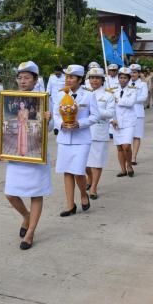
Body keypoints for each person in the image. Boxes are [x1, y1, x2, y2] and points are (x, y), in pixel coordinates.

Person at [3, 61, 52, 250]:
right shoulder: (9, 98)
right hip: (16, 152)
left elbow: (51, 126)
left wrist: (49, 119)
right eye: (20, 77)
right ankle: (26, 216)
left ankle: (30, 233)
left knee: (36, 193)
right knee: (10, 193)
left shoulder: (44, 98)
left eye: (27, 77)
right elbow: (7, 121)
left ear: (35, 79)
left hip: (36, 151)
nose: (23, 81)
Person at [54, 64, 99, 216]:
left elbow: (95, 116)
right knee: (67, 171)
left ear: (80, 79)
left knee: (78, 171)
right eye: (67, 76)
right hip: (65, 137)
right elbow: (55, 114)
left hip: (81, 138)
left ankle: (83, 194)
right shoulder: (60, 94)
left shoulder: (89, 94)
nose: (68, 80)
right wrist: (61, 124)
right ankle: (70, 205)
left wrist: (80, 123)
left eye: (72, 77)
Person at [85, 67, 115, 199]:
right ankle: (89, 178)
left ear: (102, 80)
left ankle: (94, 187)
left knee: (97, 162)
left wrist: (96, 110)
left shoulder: (108, 95)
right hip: (84, 132)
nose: (94, 80)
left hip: (99, 132)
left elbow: (110, 113)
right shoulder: (84, 93)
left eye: (97, 78)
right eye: (92, 78)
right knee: (84, 162)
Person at [111, 67, 137, 177]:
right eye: (120, 77)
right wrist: (112, 119)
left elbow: (130, 103)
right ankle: (123, 169)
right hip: (116, 121)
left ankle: (129, 165)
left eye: (125, 78)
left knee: (126, 146)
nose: (122, 80)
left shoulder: (133, 89)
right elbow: (110, 107)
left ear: (129, 79)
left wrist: (118, 100)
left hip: (128, 122)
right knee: (119, 147)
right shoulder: (112, 90)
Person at [128, 64, 148, 165]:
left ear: (139, 73)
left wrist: (131, 100)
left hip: (138, 112)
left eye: (135, 72)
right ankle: (127, 156)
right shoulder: (125, 83)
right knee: (127, 136)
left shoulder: (143, 84)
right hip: (126, 112)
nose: (132, 74)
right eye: (131, 72)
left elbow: (144, 97)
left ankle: (133, 157)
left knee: (136, 136)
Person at [46, 65, 66, 135]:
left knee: (61, 113)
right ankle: (56, 128)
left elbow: (67, 88)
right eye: (56, 73)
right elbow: (49, 87)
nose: (57, 75)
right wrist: (47, 95)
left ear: (61, 72)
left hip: (63, 98)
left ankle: (61, 125)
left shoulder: (65, 77)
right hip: (53, 98)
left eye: (58, 73)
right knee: (55, 113)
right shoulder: (51, 77)